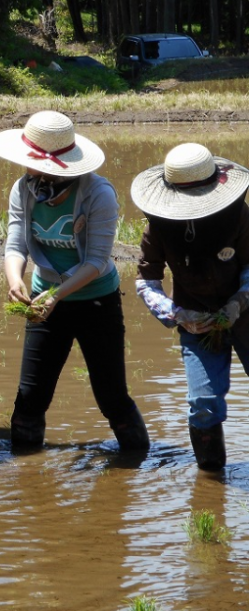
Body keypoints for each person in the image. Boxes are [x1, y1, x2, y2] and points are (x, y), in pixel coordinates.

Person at [0, 110, 150, 451]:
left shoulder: (97, 194)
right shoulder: (24, 189)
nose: (25, 167)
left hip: (95, 301)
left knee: (111, 397)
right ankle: (26, 478)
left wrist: (57, 295)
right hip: (43, 298)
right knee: (30, 397)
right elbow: (15, 241)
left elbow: (96, 261)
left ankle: (135, 464)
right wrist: (14, 277)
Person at [131, 143, 249, 471]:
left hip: (245, 313)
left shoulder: (238, 214)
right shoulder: (158, 225)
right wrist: (177, 314)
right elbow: (146, 281)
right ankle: (211, 484)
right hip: (194, 319)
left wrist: (239, 303)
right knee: (203, 404)